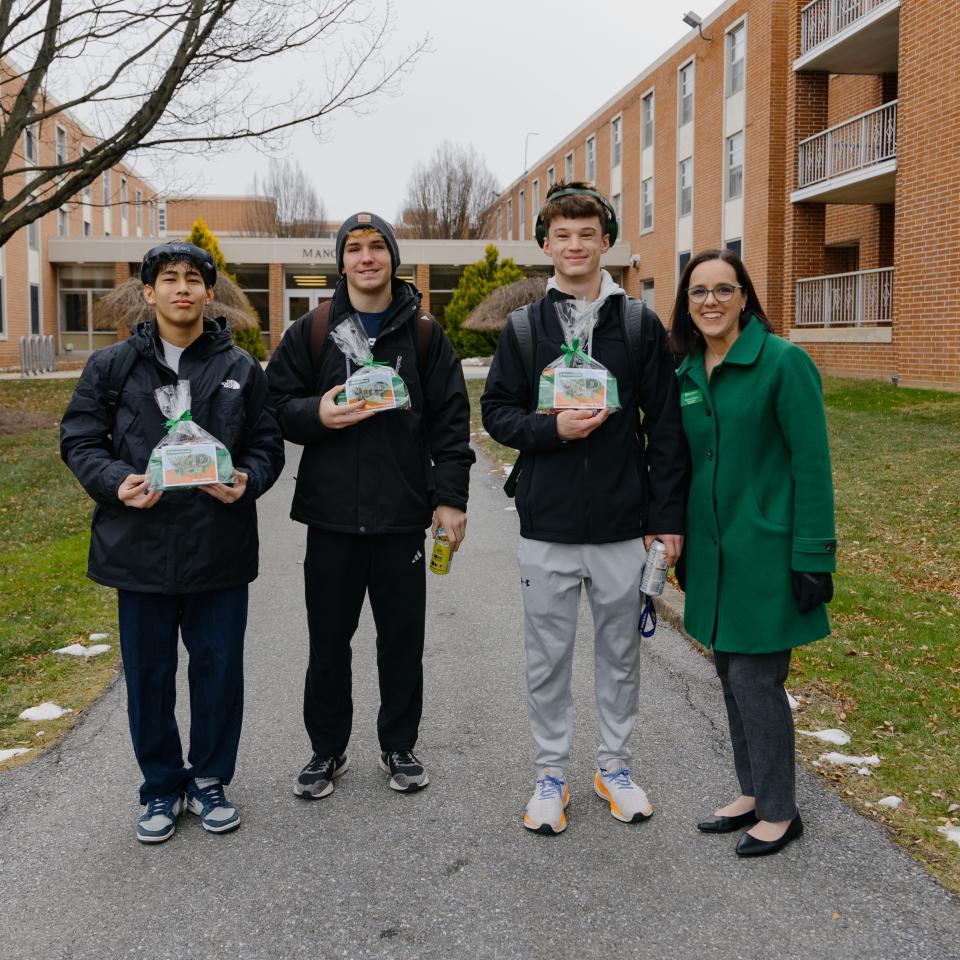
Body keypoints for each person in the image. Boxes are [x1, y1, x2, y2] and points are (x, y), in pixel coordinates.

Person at [60, 242, 285, 844]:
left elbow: (267, 444)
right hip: (140, 551)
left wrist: (248, 480)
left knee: (218, 673)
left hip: (219, 548)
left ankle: (210, 781)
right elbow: (80, 440)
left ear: (210, 293)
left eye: (193, 279)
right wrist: (116, 483)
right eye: (168, 279)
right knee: (149, 677)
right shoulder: (112, 367)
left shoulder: (239, 369)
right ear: (149, 292)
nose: (181, 288)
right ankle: (160, 786)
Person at [481, 182, 687, 834]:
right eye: (562, 235)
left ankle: (614, 767)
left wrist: (665, 521)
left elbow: (668, 432)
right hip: (548, 526)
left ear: (606, 242)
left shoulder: (636, 325)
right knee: (547, 659)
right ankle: (550, 775)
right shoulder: (523, 326)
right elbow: (496, 414)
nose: (574, 245)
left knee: (621, 655)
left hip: (624, 529)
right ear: (546, 244)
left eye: (587, 234)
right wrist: (553, 431)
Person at [266, 212, 474, 799]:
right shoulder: (313, 331)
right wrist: (319, 416)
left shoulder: (427, 334)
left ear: (392, 257)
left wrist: (450, 499)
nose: (365, 257)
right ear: (341, 261)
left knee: (402, 640)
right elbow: (275, 405)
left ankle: (399, 746)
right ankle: (325, 751)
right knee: (328, 642)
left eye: (376, 247)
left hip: (402, 518)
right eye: (353, 248)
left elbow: (451, 425)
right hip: (330, 519)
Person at [669, 248, 836, 857]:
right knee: (728, 675)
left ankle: (781, 810)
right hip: (713, 559)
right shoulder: (686, 371)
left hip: (768, 554)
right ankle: (753, 791)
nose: (710, 301)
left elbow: (812, 465)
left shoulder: (783, 362)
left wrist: (814, 554)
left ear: (744, 297)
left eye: (723, 289)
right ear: (686, 305)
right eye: (698, 292)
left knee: (755, 679)